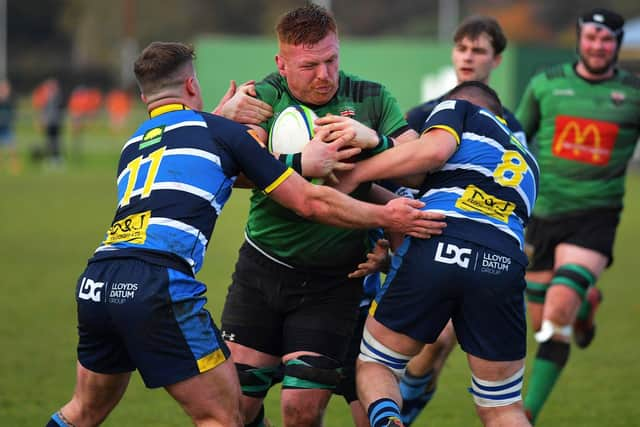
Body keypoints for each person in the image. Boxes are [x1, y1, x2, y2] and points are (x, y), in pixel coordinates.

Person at [45, 41, 439, 427]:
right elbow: (309, 202)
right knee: (222, 415)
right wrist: (386, 214)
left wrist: (223, 115)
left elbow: (189, 136)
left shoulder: (134, 145)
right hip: (157, 283)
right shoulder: (220, 133)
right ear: (191, 86)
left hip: (98, 281)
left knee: (83, 411)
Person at [215, 4, 446, 427]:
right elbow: (237, 172)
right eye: (309, 65)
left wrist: (374, 140)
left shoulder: (371, 97)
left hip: (333, 281)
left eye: (331, 60)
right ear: (281, 64)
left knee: (300, 410)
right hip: (262, 269)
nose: (324, 75)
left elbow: (418, 169)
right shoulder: (262, 99)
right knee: (237, 407)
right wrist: (298, 162)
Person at [334, 81, 539, 427]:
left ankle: (387, 421)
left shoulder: (460, 109)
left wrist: (356, 175)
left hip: (439, 244)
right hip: (503, 263)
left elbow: (429, 156)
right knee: (502, 407)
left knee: (376, 363)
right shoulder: (531, 166)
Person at [398, 15, 527, 425]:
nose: (468, 57)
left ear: (498, 60)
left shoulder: (512, 128)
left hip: (481, 247)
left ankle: (400, 411)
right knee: (421, 347)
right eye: (462, 48)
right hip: (418, 241)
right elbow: (400, 179)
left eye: (479, 50)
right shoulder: (422, 115)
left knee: (437, 344)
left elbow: (518, 192)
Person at [515, 8, 640, 424]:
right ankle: (586, 309)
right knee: (542, 324)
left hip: (595, 217)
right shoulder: (545, 85)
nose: (598, 46)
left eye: (606, 40)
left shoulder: (633, 92)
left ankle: (525, 416)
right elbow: (515, 140)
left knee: (555, 315)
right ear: (579, 39)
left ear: (617, 44)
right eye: (591, 38)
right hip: (543, 215)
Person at [0, 79, 20, 174]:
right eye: (2, 88)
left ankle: (14, 168)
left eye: (5, 88)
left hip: (7, 128)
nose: (4, 90)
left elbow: (13, 114)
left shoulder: (11, 100)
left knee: (12, 148)